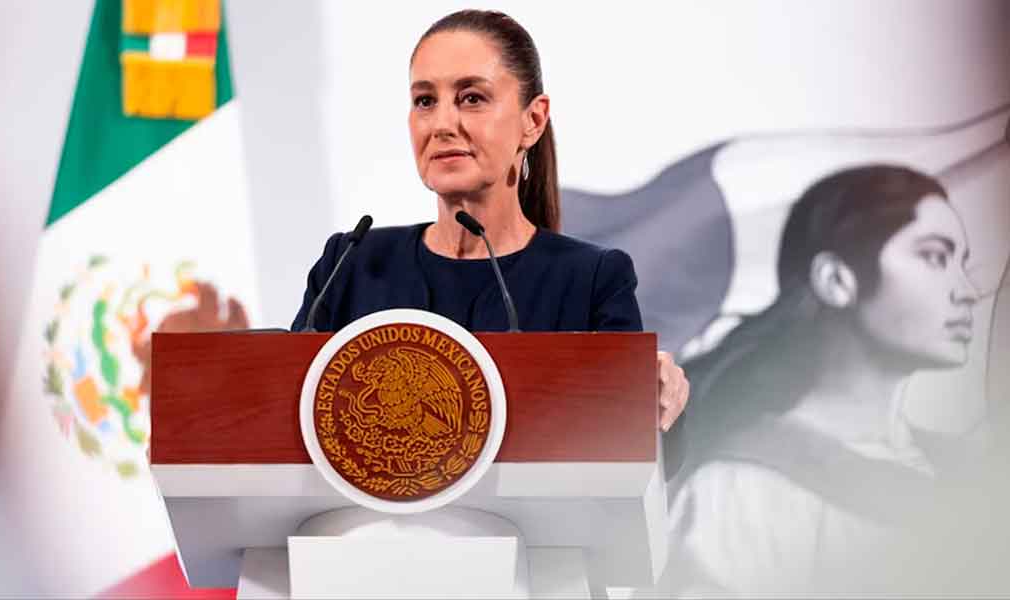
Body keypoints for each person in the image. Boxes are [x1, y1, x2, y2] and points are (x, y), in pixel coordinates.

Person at [290, 10, 687, 431]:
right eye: (425, 101)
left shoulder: (591, 281)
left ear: (533, 120)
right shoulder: (350, 265)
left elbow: (628, 446)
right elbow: (284, 416)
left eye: (472, 98)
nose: (442, 124)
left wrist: (663, 404)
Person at [652, 165, 980, 596]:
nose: (968, 290)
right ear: (836, 280)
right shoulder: (746, 492)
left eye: (962, 264)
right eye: (935, 257)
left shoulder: (962, 472)